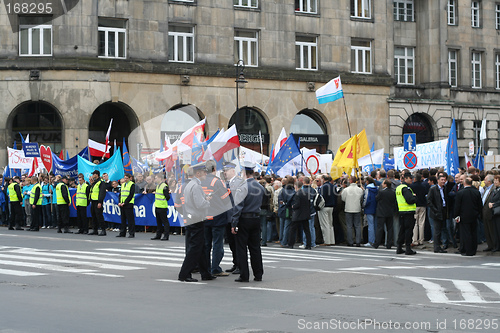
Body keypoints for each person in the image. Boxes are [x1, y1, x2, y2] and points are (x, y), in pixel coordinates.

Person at [178, 163, 215, 283]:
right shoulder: (197, 186)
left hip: (192, 218)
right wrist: (207, 201)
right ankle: (184, 274)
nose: (206, 174)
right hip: (196, 219)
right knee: (195, 248)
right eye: (204, 172)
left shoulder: (190, 184)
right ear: (198, 173)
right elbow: (200, 204)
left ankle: (205, 273)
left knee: (202, 246)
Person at [231, 162, 265, 282]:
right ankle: (258, 273)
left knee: (241, 248)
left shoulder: (243, 186)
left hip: (244, 219)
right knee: (255, 247)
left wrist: (234, 223)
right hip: (256, 218)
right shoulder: (260, 186)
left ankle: (244, 275)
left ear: (244, 172)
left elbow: (238, 206)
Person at [201, 160, 231, 276]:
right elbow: (226, 199)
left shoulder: (201, 182)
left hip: (204, 216)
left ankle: (206, 267)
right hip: (217, 217)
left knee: (206, 244)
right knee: (217, 244)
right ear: (214, 169)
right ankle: (215, 268)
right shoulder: (217, 182)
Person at [223, 162, 244, 274]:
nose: (225, 173)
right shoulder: (226, 183)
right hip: (227, 217)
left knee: (237, 243)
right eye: (224, 171)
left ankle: (240, 265)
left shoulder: (239, 182)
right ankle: (235, 263)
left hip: (234, 217)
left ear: (232, 171)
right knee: (231, 243)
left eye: (226, 171)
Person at [454, 177, 482, 256]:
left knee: (466, 234)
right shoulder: (476, 192)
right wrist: (479, 214)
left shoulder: (460, 193)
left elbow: (457, 206)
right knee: (474, 233)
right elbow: (480, 205)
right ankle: (473, 249)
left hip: (464, 216)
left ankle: (468, 250)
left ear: (464, 183)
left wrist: (456, 215)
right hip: (474, 215)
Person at [395, 172, 417, 255]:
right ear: (405, 179)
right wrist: (414, 196)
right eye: (410, 178)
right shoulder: (406, 188)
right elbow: (410, 200)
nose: (412, 180)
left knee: (402, 230)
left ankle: (399, 247)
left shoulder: (398, 188)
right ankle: (408, 249)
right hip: (408, 212)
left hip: (401, 212)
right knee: (408, 231)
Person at [427, 174, 448, 253]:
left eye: (444, 180)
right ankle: (437, 247)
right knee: (437, 230)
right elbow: (429, 201)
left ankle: (440, 246)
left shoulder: (444, 188)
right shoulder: (433, 189)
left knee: (442, 229)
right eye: (442, 180)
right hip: (436, 212)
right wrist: (435, 210)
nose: (443, 181)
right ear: (438, 180)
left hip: (443, 210)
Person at [288, 178, 312, 249]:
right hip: (305, 214)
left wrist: (293, 206)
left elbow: (297, 204)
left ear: (296, 186)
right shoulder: (306, 193)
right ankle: (308, 244)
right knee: (307, 230)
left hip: (298, 214)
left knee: (292, 229)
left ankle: (290, 244)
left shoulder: (297, 194)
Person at [341, 176, 364, 247]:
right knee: (358, 225)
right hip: (357, 208)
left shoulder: (346, 190)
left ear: (350, 181)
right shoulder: (360, 190)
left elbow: (343, 199)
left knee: (349, 226)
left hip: (348, 208)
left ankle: (350, 241)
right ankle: (358, 241)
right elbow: (361, 199)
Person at [373, 179, 396, 249]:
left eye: (383, 183)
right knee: (390, 228)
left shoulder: (381, 192)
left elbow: (376, 198)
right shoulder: (393, 192)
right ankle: (389, 244)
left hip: (381, 212)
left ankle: (377, 243)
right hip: (390, 212)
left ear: (385, 185)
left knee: (380, 228)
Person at [410, 173, 429, 246]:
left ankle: (415, 240)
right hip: (423, 204)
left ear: (414, 178)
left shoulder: (412, 186)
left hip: (415, 205)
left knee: (415, 223)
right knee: (422, 223)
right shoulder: (423, 186)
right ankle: (421, 239)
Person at [318, 175, 337, 246]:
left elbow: (321, 197)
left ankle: (327, 241)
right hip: (331, 206)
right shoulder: (333, 186)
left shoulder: (324, 187)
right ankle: (332, 240)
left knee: (324, 224)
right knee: (330, 224)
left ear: (323, 179)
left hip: (325, 206)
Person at [151, 172, 170, 240]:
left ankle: (166, 235)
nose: (155, 179)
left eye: (156, 178)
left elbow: (167, 197)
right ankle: (158, 235)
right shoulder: (158, 185)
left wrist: (162, 200)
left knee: (164, 222)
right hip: (157, 206)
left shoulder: (164, 186)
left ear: (160, 178)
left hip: (162, 206)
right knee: (158, 222)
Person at [117, 173, 136, 238]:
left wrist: (125, 202)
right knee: (123, 219)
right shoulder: (123, 185)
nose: (125, 179)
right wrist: (119, 202)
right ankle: (122, 232)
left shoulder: (132, 184)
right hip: (122, 204)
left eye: (127, 178)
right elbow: (120, 194)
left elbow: (131, 195)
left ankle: (131, 233)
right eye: (125, 178)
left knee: (130, 220)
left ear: (130, 178)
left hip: (128, 204)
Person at [89, 170, 107, 236]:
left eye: (93, 174)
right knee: (93, 216)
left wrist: (100, 202)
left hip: (97, 201)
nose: (93, 176)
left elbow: (102, 192)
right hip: (93, 201)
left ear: (96, 174)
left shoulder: (101, 182)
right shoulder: (95, 182)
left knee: (99, 216)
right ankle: (95, 230)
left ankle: (103, 230)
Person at [481, 174, 496, 252]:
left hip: (490, 212)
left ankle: (494, 245)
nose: (484, 181)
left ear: (489, 181)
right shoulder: (486, 189)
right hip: (485, 212)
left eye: (485, 180)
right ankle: (489, 245)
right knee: (486, 230)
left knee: (491, 230)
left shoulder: (493, 189)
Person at [363, 176, 378, 247]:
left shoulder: (368, 189)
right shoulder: (376, 189)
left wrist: (363, 205)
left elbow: (366, 199)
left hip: (369, 208)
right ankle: (375, 240)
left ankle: (371, 241)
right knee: (375, 225)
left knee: (370, 226)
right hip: (375, 208)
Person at [488, 175, 500, 252]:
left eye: (497, 180)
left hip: (498, 212)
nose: (495, 182)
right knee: (495, 230)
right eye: (494, 180)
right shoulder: (494, 190)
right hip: (494, 212)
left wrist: (493, 204)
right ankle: (497, 246)